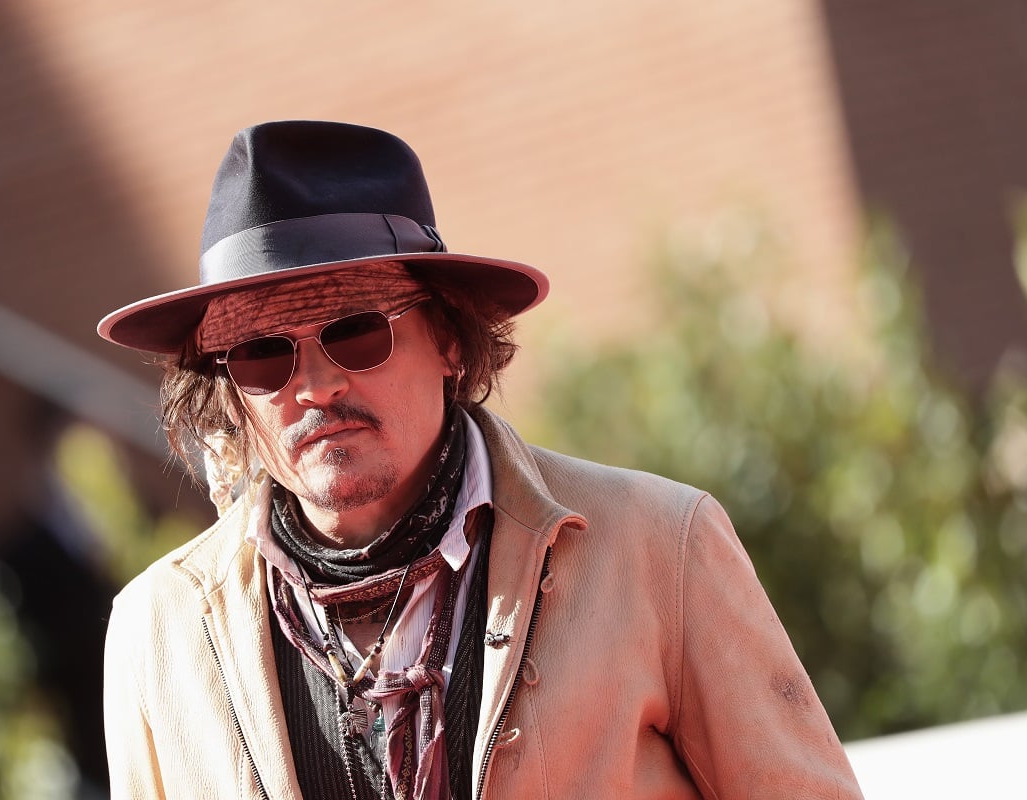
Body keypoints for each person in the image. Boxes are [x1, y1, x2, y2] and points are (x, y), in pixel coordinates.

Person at [96, 120, 864, 799]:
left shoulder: (662, 547)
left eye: (357, 331)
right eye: (263, 356)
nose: (316, 385)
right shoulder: (155, 633)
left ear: (451, 342)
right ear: (229, 392)